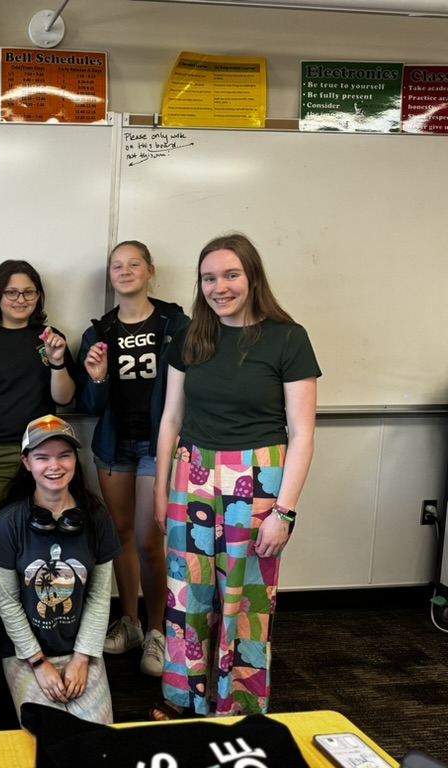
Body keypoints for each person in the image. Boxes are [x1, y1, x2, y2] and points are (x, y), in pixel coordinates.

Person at [152, 232, 320, 720]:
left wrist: (285, 513)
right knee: (187, 593)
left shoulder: (287, 338)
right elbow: (171, 419)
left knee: (245, 598)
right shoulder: (191, 336)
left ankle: (237, 706)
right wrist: (161, 492)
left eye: (230, 275)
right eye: (209, 278)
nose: (219, 287)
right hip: (193, 474)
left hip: (259, 478)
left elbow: (302, 434)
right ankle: (184, 699)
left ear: (253, 278)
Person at [76, 241, 189, 677]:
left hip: (158, 445)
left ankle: (158, 629)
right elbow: (89, 404)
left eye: (134, 264)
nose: (125, 272)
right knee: (120, 534)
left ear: (150, 271)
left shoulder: (175, 325)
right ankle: (131, 623)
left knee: (147, 539)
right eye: (117, 266)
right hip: (114, 445)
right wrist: (97, 378)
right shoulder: (99, 332)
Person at [0, 415, 121, 726]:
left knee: (98, 738)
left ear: (75, 459)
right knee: (44, 734)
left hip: (80, 648)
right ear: (26, 462)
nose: (54, 466)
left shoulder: (97, 517)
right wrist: (38, 663)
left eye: (64, 455)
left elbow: (99, 597)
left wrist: (82, 658)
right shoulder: (8, 523)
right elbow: (8, 603)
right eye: (42, 457)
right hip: (26, 652)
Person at [0, 260, 78, 534]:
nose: (21, 299)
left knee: (42, 532)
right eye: (12, 292)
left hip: (42, 451)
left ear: (38, 296)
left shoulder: (51, 340)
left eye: (29, 292)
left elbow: (64, 398)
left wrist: (57, 362)